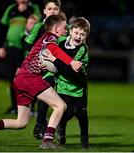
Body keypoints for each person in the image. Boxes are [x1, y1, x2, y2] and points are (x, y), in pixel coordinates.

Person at [0, 15, 82, 149]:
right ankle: (47, 141)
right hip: (29, 78)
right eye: (64, 26)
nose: (66, 28)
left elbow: (39, 56)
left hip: (20, 78)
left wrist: (44, 66)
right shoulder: (51, 38)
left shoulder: (43, 39)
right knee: (60, 106)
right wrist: (71, 61)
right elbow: (54, 50)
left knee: (21, 122)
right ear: (55, 29)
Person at [43, 17, 90, 148]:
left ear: (86, 36)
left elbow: (71, 70)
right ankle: (61, 128)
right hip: (63, 86)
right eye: (76, 33)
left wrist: (54, 59)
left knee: (81, 114)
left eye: (82, 34)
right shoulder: (60, 42)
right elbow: (53, 57)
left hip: (79, 87)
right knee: (67, 112)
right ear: (70, 31)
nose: (78, 36)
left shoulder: (83, 50)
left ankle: (85, 142)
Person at [23, 0, 63, 139]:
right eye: (50, 8)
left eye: (55, 8)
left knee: (64, 100)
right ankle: (40, 125)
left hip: (61, 67)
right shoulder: (40, 26)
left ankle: (58, 127)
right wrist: (40, 58)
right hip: (45, 69)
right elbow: (28, 44)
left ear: (60, 11)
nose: (52, 11)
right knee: (46, 95)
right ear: (44, 11)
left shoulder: (66, 28)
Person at [0, 0, 41, 114]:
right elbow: (3, 27)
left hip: (24, 49)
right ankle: (14, 106)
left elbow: (38, 23)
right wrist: (1, 46)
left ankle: (30, 107)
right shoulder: (11, 9)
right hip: (11, 47)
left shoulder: (33, 9)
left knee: (29, 80)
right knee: (13, 79)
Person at [20, 14, 39, 116]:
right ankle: (25, 109)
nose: (32, 26)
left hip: (35, 65)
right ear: (26, 25)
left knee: (34, 87)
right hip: (25, 65)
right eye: (30, 23)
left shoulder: (37, 36)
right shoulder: (23, 36)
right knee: (26, 89)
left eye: (34, 24)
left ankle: (33, 109)